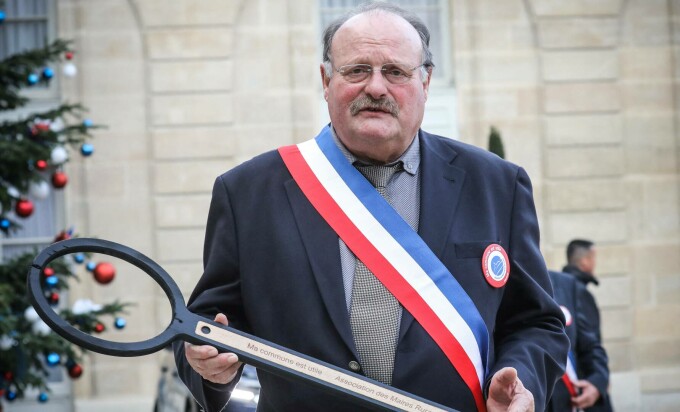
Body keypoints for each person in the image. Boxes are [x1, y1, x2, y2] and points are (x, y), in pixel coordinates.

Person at [174, 3, 568, 411]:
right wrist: (208, 363)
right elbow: (205, 326)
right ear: (326, 81)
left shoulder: (496, 185)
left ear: (426, 82)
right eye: (357, 70)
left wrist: (521, 381)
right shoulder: (248, 193)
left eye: (395, 72)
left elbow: (536, 323)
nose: (376, 88)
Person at [547, 271, 611, 412]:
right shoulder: (502, 284)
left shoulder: (566, 284)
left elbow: (590, 345)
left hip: (568, 404)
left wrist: (596, 382)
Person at [561, 240, 613, 411]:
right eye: (593, 257)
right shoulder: (578, 291)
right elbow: (590, 340)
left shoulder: (565, 288)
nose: (595, 262)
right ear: (584, 261)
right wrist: (598, 378)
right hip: (583, 386)